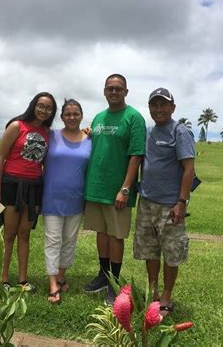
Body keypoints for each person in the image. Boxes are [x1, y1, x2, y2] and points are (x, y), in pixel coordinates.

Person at [83, 74, 146, 304]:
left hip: (118, 190)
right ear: (104, 91)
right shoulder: (99, 117)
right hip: (95, 187)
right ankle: (103, 274)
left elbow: (136, 155)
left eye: (118, 88)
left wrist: (126, 188)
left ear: (126, 92)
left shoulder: (134, 118)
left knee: (116, 235)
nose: (114, 92)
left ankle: (114, 282)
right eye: (110, 88)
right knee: (101, 233)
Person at [133, 87, 195, 317]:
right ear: (149, 108)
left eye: (163, 104)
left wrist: (182, 202)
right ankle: (153, 291)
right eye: (154, 105)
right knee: (149, 250)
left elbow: (189, 169)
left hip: (170, 204)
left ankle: (166, 295)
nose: (158, 109)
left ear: (172, 107)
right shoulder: (147, 132)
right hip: (146, 201)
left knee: (171, 252)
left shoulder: (180, 132)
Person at [0, 92, 57, 292]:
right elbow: (0, 158)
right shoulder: (17, 126)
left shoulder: (47, 132)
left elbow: (45, 161)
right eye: (40, 105)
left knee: (25, 234)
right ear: (33, 105)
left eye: (48, 108)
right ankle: (3, 279)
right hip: (11, 185)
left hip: (34, 186)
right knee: (9, 234)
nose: (44, 110)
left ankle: (22, 280)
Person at [41, 99, 91, 304]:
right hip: (52, 197)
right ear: (61, 117)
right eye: (67, 114)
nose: (72, 117)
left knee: (69, 241)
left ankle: (61, 276)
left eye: (75, 113)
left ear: (81, 115)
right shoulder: (51, 136)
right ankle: (52, 284)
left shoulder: (90, 139)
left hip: (76, 199)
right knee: (53, 240)